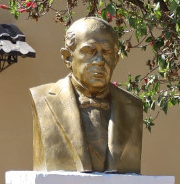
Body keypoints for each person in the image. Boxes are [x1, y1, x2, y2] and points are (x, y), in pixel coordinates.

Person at [30, 17, 143, 173]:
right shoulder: (43, 99)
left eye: (107, 52)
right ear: (67, 57)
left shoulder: (132, 106)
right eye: (89, 51)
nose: (99, 61)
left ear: (116, 59)